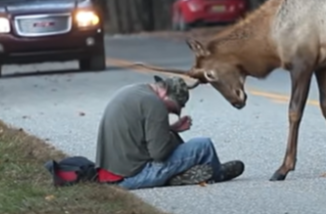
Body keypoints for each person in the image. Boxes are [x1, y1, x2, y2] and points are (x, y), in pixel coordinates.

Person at [95, 75, 245, 189]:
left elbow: (138, 134)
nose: (168, 112)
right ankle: (217, 174)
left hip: (109, 175)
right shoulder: (154, 103)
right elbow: (159, 154)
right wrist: (168, 133)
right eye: (172, 108)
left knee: (173, 137)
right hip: (133, 177)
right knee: (203, 145)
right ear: (165, 91)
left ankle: (181, 175)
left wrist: (170, 129)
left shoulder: (134, 91)